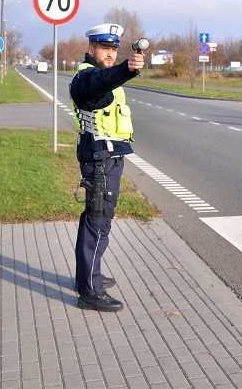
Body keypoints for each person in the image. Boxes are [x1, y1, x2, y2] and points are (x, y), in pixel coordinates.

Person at [69, 23, 144, 312]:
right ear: (91, 49)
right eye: (104, 48)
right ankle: (90, 291)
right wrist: (127, 69)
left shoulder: (98, 75)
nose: (110, 53)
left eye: (114, 49)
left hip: (107, 157)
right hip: (99, 160)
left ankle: (88, 277)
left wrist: (123, 71)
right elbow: (101, 83)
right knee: (98, 222)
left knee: (98, 219)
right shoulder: (87, 79)